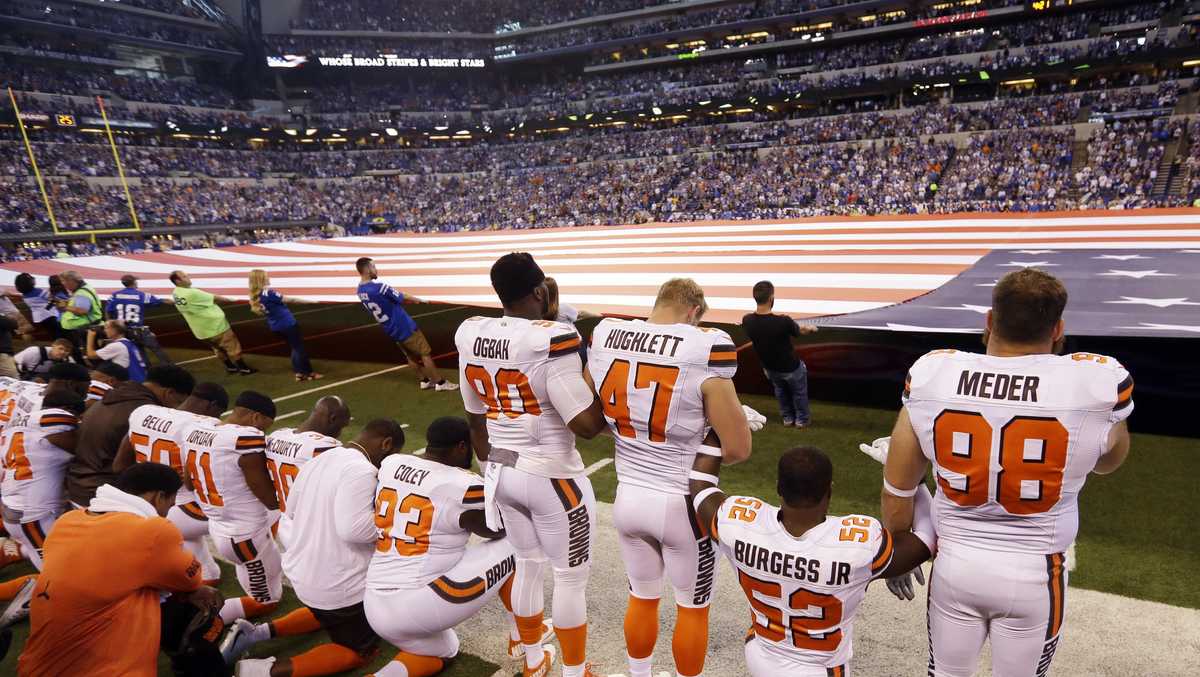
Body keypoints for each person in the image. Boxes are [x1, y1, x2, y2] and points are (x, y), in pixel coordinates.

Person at [880, 268, 1134, 677]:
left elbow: (899, 486)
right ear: (1058, 329)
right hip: (1036, 572)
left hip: (955, 565)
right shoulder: (1096, 380)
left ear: (988, 320)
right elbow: (1108, 462)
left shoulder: (934, 372)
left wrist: (898, 546)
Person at [586, 278, 752, 677]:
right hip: (681, 502)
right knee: (692, 608)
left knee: (642, 597)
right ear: (694, 312)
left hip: (627, 496)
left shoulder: (606, 334)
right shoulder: (704, 346)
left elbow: (593, 410)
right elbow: (738, 450)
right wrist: (725, 425)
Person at [455, 252, 609, 677]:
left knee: (527, 564)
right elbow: (588, 424)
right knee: (571, 578)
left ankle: (533, 659)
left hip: (501, 470)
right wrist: (597, 373)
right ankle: (575, 673)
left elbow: (474, 416)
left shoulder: (471, 333)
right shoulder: (551, 339)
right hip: (551, 475)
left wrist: (492, 464)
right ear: (540, 291)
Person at [689, 446, 935, 676]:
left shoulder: (739, 524)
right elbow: (928, 540)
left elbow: (701, 485)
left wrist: (715, 435)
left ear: (778, 488)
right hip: (819, 669)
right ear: (830, 490)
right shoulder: (859, 544)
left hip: (761, 656)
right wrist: (913, 476)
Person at [227, 418, 407, 677]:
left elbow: (291, 509)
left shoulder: (319, 459)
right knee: (359, 650)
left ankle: (257, 633)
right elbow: (354, 530)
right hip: (337, 586)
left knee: (326, 610)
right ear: (386, 444)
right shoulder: (361, 470)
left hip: (304, 572)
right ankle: (263, 672)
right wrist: (391, 521)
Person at [16, 463, 226, 677]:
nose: (166, 512)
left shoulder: (67, 520)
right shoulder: (152, 531)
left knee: (157, 595)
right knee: (194, 612)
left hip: (34, 666)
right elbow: (190, 581)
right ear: (158, 497)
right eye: (169, 505)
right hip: (104, 668)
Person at [360, 416, 531, 677]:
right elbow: (499, 528)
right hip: (415, 601)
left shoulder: (392, 464)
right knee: (516, 545)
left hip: (374, 603)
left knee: (446, 648)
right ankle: (524, 636)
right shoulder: (460, 484)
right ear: (461, 447)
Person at [113, 382, 231, 586]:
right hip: (183, 507)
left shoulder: (144, 413)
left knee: (206, 572)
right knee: (257, 512)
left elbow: (119, 466)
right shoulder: (205, 425)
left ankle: (204, 575)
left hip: (150, 505)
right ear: (212, 406)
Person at [181, 390, 282, 624]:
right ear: (256, 418)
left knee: (251, 569)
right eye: (265, 426)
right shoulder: (245, 438)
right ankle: (201, 621)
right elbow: (269, 500)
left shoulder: (194, 429)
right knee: (267, 600)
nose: (263, 432)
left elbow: (188, 482)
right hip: (246, 535)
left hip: (219, 526)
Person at [66, 364, 196, 509]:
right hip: (103, 494)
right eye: (178, 402)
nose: (175, 409)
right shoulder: (144, 412)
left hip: (78, 486)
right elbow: (120, 466)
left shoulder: (113, 397)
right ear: (169, 393)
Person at [0, 388, 85, 571]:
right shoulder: (53, 418)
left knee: (53, 558)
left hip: (17, 506)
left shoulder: (12, 426)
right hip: (33, 516)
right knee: (57, 573)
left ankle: (14, 550)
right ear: (66, 408)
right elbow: (84, 442)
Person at [356, 257, 456, 391]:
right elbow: (402, 296)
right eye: (373, 266)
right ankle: (440, 382)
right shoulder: (378, 287)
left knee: (410, 356)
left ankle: (424, 380)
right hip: (404, 326)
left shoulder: (360, 291)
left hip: (390, 328)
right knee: (425, 354)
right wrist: (420, 300)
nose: (376, 269)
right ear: (367, 269)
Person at [741, 281, 818, 428]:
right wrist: (811, 328)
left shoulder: (748, 320)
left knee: (781, 392)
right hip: (791, 367)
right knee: (799, 393)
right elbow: (799, 331)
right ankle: (801, 420)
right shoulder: (783, 321)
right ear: (771, 298)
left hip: (770, 368)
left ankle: (788, 418)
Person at [263, 395, 350, 512]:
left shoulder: (276, 436)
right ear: (332, 419)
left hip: (281, 520)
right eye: (341, 427)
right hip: (306, 521)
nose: (340, 433)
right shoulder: (323, 447)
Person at [169, 270, 256, 375]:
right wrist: (233, 299)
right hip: (216, 327)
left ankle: (230, 367)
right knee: (232, 347)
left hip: (201, 331)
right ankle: (244, 368)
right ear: (178, 281)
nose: (188, 277)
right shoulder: (192, 292)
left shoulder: (176, 293)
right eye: (184, 276)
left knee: (218, 348)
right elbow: (215, 297)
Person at [248, 269, 321, 382]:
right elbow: (290, 299)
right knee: (299, 348)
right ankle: (309, 373)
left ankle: (299, 373)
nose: (268, 277)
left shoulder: (255, 296)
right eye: (266, 276)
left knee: (294, 348)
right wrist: (311, 301)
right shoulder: (269, 293)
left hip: (276, 326)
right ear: (261, 279)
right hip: (287, 324)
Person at [105, 274, 172, 365]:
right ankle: (170, 368)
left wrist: (110, 325)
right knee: (157, 350)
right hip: (139, 330)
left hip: (124, 332)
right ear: (134, 282)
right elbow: (160, 301)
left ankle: (148, 372)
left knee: (140, 353)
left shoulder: (114, 295)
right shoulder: (142, 295)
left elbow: (108, 310)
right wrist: (174, 302)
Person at [543, 277, 598, 363]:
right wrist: (598, 315)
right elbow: (580, 314)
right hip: (575, 349)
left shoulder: (539, 312)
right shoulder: (563, 307)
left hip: (555, 352)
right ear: (556, 293)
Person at [13, 274, 60, 340]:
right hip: (50, 315)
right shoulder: (39, 291)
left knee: (53, 333)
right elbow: (54, 299)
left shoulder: (24, 296)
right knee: (58, 332)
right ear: (30, 282)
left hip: (39, 318)